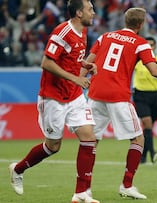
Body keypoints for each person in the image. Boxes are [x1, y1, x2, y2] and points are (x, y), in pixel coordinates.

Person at [84, 7, 157, 200]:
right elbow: (155, 71)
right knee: (138, 139)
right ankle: (127, 185)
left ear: (125, 20)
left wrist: (78, 83)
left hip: (95, 94)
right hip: (118, 96)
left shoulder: (105, 37)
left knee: (91, 141)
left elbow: (87, 64)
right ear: (141, 24)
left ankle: (83, 189)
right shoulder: (141, 43)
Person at [8, 1, 100, 203]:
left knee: (89, 138)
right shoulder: (62, 32)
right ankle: (18, 168)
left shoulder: (82, 31)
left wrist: (85, 65)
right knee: (53, 146)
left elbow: (70, 58)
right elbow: (47, 62)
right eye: (90, 9)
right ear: (78, 13)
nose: (93, 13)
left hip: (74, 95)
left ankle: (81, 193)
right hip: (53, 97)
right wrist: (75, 77)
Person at [133, 36, 157, 164]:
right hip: (140, 95)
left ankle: (143, 156)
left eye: (152, 45)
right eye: (147, 45)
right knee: (147, 123)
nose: (150, 47)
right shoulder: (137, 61)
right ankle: (152, 152)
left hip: (155, 96)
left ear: (155, 47)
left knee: (148, 128)